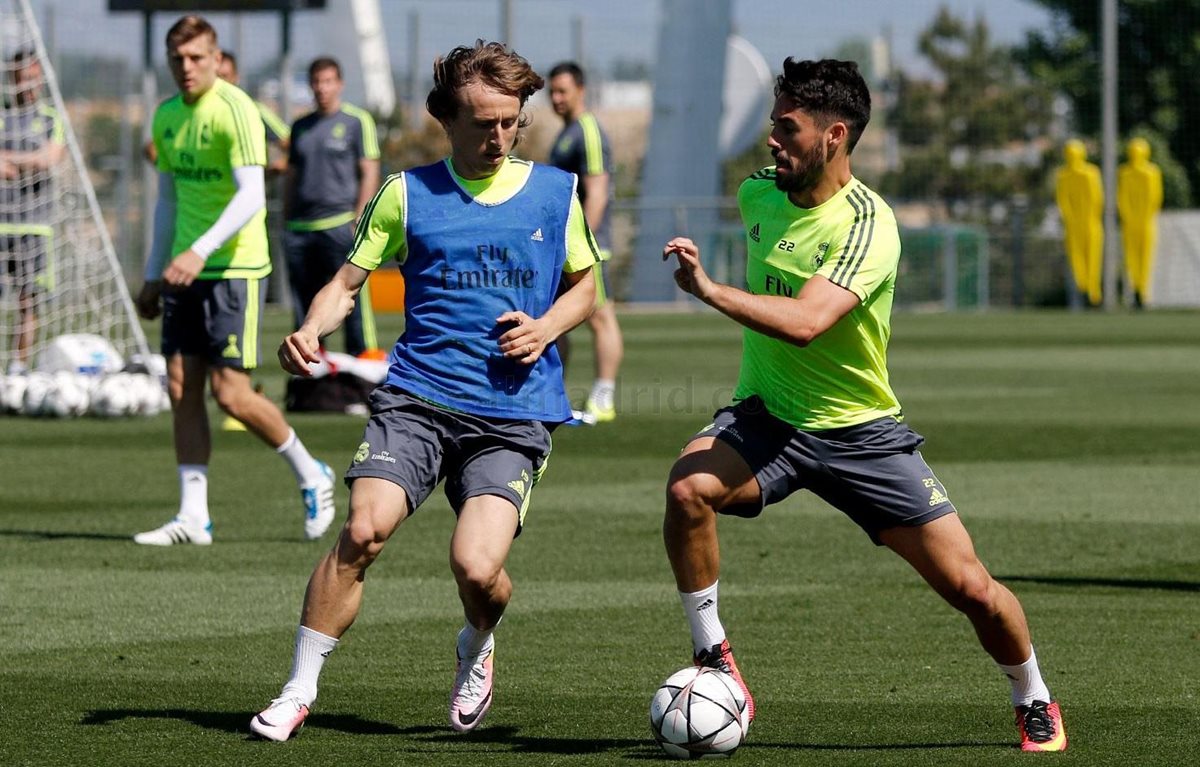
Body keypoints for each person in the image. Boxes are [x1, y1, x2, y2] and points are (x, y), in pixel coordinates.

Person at [660, 58, 1067, 752]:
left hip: (861, 435)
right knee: (687, 488)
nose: (771, 142)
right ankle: (713, 655)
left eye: (787, 129)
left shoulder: (869, 225)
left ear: (834, 135)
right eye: (773, 125)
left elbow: (808, 321)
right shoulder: (760, 194)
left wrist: (708, 288)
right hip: (770, 419)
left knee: (970, 586)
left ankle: (1033, 695)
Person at [250, 40, 598, 741]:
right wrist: (313, 328)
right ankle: (297, 688)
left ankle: (478, 639)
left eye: (510, 121)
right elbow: (345, 284)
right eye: (482, 122)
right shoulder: (406, 194)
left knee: (477, 567)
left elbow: (586, 287)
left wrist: (545, 325)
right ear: (447, 118)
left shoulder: (556, 193)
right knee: (362, 529)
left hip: (512, 411)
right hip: (417, 399)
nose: (498, 135)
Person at [133, 15, 336, 546]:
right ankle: (194, 516)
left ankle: (312, 472)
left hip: (235, 269)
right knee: (181, 388)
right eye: (177, 59)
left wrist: (197, 253)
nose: (186, 68)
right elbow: (169, 202)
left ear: (216, 58)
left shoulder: (236, 109)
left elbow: (250, 197)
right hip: (184, 271)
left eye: (197, 58)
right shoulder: (167, 117)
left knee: (231, 394)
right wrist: (155, 273)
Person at [284, 56, 382, 357]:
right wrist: (285, 220)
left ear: (339, 84)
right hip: (300, 229)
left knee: (349, 298)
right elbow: (291, 176)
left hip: (339, 225)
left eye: (328, 81)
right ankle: (314, 373)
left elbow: (369, 170)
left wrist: (359, 217)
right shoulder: (300, 126)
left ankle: (362, 366)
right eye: (316, 82)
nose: (322, 88)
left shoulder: (356, 121)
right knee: (305, 307)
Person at [547, 61, 623, 424]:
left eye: (563, 91)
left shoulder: (588, 131)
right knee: (566, 317)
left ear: (581, 90)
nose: (556, 98)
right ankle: (554, 393)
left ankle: (604, 397)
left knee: (600, 318)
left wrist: (585, 244)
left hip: (588, 246)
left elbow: (598, 192)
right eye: (552, 92)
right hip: (570, 245)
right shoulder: (568, 133)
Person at [0, 49, 65, 374]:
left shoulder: (52, 118)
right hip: (1, 225)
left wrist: (9, 159)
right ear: (10, 79)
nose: (28, 85)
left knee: (29, 300)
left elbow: (49, 158)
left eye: (33, 78)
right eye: (22, 79)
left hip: (35, 226)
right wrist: (29, 160)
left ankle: (17, 369)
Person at [143, 49, 289, 172]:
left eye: (225, 76)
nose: (221, 83)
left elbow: (291, 144)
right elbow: (152, 148)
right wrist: (177, 174)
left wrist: (271, 170)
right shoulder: (187, 109)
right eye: (217, 77)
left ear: (236, 78)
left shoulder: (251, 109)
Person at [1055, 139, 1103, 307]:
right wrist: (1070, 218)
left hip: (1090, 222)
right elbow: (1062, 199)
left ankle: (1093, 291)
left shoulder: (1091, 173)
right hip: (1073, 224)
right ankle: (1083, 286)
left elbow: (1096, 198)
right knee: (1076, 257)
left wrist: (1089, 217)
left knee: (1092, 256)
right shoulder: (1063, 175)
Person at [1117, 137, 1162, 307]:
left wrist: (1144, 217)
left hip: (1145, 222)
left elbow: (1155, 197)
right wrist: (1128, 216)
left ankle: (1143, 289)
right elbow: (1122, 197)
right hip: (1130, 223)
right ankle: (1135, 287)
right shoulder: (1124, 173)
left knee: (1145, 256)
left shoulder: (1151, 172)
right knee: (1131, 258)